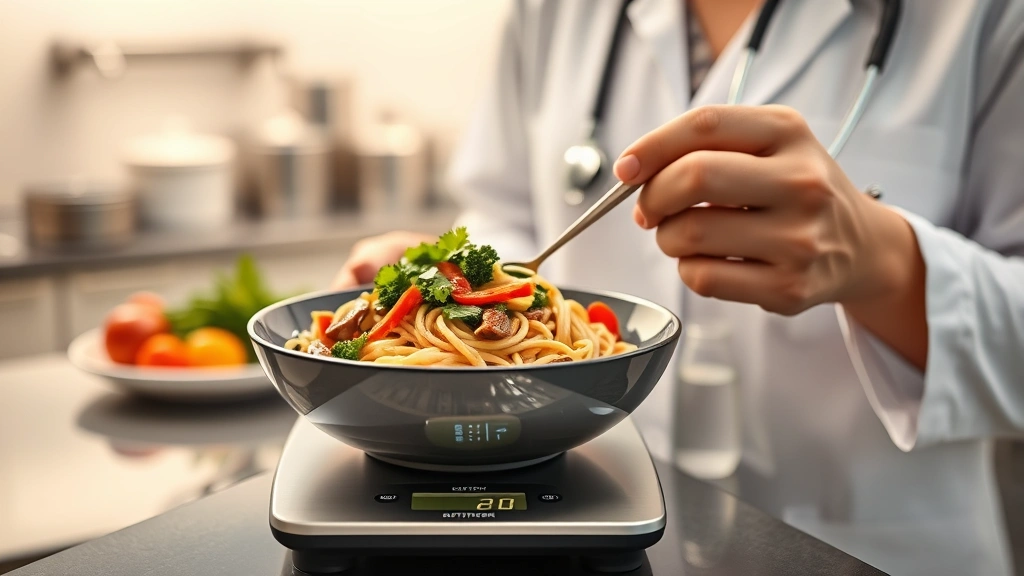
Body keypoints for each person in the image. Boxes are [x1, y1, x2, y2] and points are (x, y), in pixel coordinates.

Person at [334, 1, 1024, 574]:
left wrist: (887, 263)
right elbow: (506, 216)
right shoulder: (550, 11)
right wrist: (448, 288)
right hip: (589, 526)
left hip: (866, 550)